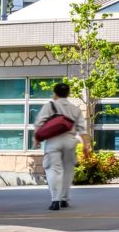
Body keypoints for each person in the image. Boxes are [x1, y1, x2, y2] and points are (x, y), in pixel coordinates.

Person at [35, 83, 86, 212]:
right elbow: (82, 129)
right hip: (70, 141)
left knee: (53, 170)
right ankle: (64, 199)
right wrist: (86, 145)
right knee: (68, 170)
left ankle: (55, 200)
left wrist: (36, 139)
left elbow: (39, 124)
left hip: (53, 141)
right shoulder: (75, 109)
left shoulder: (49, 106)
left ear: (55, 93)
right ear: (68, 93)